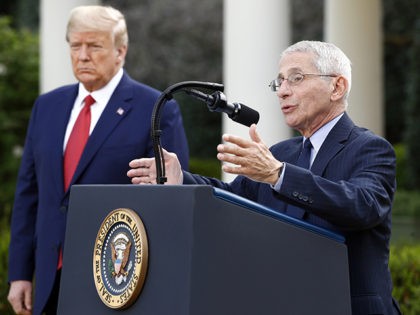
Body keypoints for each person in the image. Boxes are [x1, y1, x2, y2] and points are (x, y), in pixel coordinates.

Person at [127, 40, 402, 315]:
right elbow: (231, 199)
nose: (282, 91)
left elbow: (363, 206)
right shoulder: (282, 153)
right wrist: (181, 179)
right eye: (279, 82)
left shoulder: (369, 148)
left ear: (337, 86)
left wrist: (279, 174)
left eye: (296, 78)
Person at [7, 5, 189, 315]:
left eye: (94, 46)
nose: (82, 55)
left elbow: (171, 201)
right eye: (75, 45)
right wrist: (20, 274)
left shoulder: (155, 108)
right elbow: (29, 194)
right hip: (50, 275)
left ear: (121, 51)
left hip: (117, 280)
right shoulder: (47, 106)